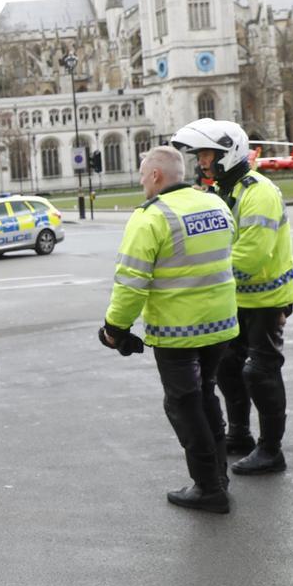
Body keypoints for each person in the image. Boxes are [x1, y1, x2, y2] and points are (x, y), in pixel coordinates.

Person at [99, 145, 238, 513]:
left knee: (183, 404)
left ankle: (208, 487)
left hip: (179, 332)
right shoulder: (215, 204)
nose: (142, 181)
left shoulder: (151, 218)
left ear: (156, 176)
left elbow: (130, 283)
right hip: (221, 325)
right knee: (207, 395)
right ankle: (219, 477)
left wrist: (115, 329)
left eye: (144, 175)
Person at [171, 118, 293, 475]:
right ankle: (241, 435)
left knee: (260, 371)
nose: (202, 162)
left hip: (267, 298)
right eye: (200, 155)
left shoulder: (258, 192)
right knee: (229, 368)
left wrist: (206, 278)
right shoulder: (222, 192)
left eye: (207, 154)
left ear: (229, 153)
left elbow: (251, 256)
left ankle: (271, 450)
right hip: (237, 300)